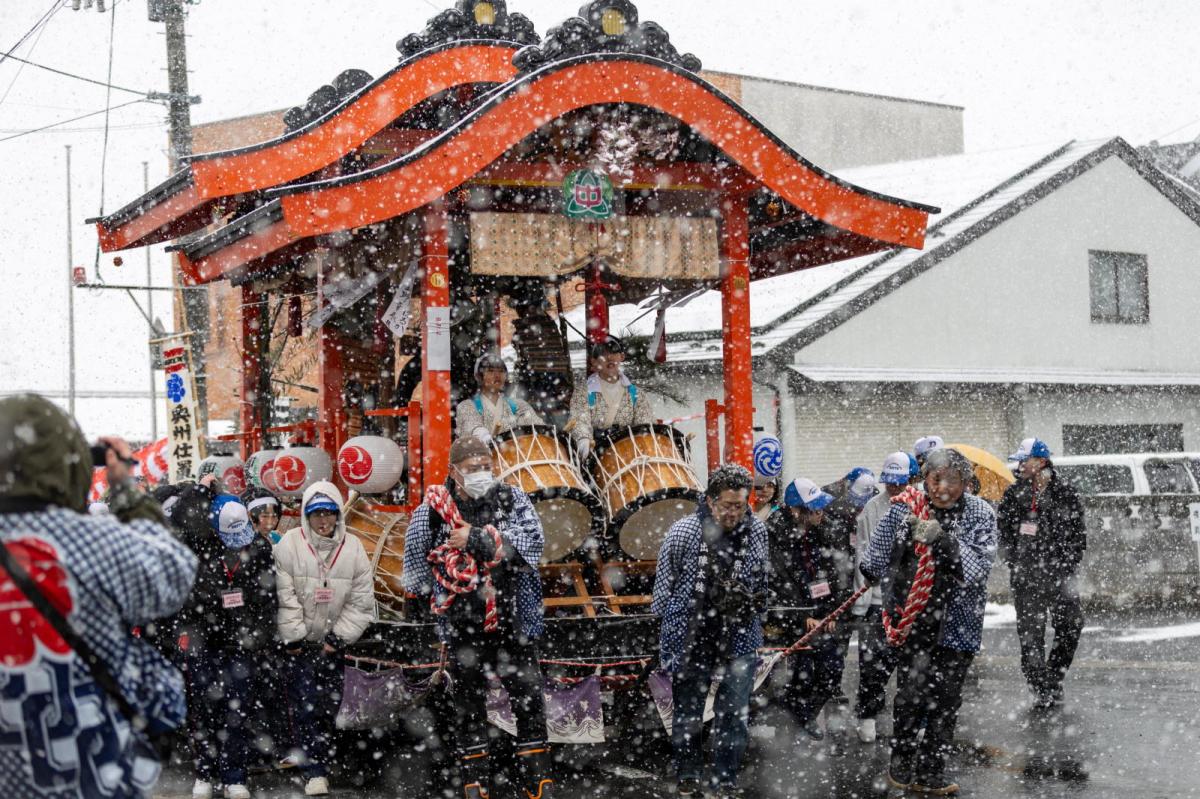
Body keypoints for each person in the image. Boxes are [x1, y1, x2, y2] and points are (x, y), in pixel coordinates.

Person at [0, 394, 197, 798]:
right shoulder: (101, 541)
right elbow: (174, 571)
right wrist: (124, 487)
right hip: (92, 775)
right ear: (73, 464)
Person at [403, 436, 552, 799]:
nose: (482, 473)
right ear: (454, 471)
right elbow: (415, 568)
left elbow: (533, 543)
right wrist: (432, 605)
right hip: (462, 623)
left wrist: (476, 540)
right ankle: (476, 782)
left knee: (529, 698)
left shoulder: (512, 498)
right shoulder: (432, 511)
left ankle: (538, 781)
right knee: (469, 704)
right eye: (473, 468)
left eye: (486, 466)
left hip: (513, 618)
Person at [861, 448, 997, 796]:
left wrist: (942, 540)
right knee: (911, 694)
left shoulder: (980, 512)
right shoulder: (904, 507)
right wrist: (900, 542)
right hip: (914, 619)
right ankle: (901, 761)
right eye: (935, 479)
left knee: (946, 700)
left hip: (958, 622)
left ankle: (932, 772)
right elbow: (872, 561)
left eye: (952, 480)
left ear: (966, 483)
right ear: (925, 479)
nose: (942, 488)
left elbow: (977, 569)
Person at [652, 464, 769, 798]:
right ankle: (688, 772)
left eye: (740, 506)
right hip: (692, 633)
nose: (733, 513)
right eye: (727, 505)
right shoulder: (683, 531)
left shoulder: (757, 531)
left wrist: (753, 603)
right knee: (688, 710)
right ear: (709, 500)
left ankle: (725, 777)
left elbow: (761, 579)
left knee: (733, 712)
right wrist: (667, 639)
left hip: (739, 632)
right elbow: (664, 589)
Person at [171, 486, 277, 799]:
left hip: (242, 645)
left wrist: (257, 637)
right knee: (204, 710)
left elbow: (268, 600)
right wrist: (200, 490)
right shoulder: (197, 547)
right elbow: (185, 598)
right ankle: (204, 771)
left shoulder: (259, 549)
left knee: (238, 711)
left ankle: (235, 775)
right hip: (205, 643)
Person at [274, 482, 376, 797]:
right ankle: (314, 771)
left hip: (333, 646)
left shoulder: (353, 547)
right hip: (300, 646)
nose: (323, 520)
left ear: (337, 515)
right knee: (305, 707)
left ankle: (322, 759)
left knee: (330, 706)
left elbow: (361, 600)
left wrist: (338, 637)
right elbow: (284, 594)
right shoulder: (289, 544)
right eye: (316, 514)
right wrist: (294, 637)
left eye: (329, 513)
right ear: (306, 515)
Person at [997, 437, 1086, 709]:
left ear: (1042, 462)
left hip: (1060, 577)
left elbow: (1078, 537)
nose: (1020, 466)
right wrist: (1016, 561)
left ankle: (1054, 677)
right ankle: (1040, 688)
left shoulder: (1065, 493)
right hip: (1026, 579)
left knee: (1071, 626)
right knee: (1031, 637)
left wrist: (1064, 566)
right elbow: (1004, 535)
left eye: (1025, 461)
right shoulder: (1014, 495)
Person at [767, 477, 848, 749]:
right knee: (800, 671)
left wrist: (833, 611)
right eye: (814, 509)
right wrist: (801, 615)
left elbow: (836, 572)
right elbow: (779, 581)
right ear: (795, 510)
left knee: (832, 669)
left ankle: (805, 715)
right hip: (792, 615)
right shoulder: (775, 534)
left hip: (824, 613)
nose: (820, 513)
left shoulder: (824, 530)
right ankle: (798, 717)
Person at [853, 452, 919, 743]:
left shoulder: (924, 506)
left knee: (914, 668)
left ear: (912, 480)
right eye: (889, 482)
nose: (894, 487)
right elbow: (863, 554)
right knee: (872, 665)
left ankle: (912, 722)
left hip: (914, 602)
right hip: (880, 601)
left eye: (900, 482)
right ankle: (868, 714)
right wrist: (862, 602)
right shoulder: (872, 508)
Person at [568, 337, 653, 460]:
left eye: (614, 352)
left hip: (630, 451)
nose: (609, 357)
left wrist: (643, 441)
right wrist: (584, 439)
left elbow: (645, 423)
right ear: (594, 361)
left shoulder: (636, 393)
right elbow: (579, 419)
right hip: (596, 453)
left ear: (622, 357)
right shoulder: (583, 392)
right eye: (602, 353)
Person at [455, 352, 543, 444]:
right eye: (491, 371)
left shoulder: (519, 405)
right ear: (479, 376)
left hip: (512, 452)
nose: (497, 375)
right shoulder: (467, 406)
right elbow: (473, 427)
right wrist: (486, 438)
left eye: (501, 371)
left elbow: (536, 427)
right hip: (482, 453)